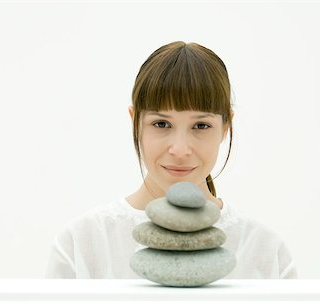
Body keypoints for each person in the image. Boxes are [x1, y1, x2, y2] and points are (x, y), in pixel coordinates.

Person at [45, 41, 297, 279]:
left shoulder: (262, 249)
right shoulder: (84, 242)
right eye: (161, 123)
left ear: (225, 127)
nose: (179, 149)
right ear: (135, 122)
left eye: (200, 125)